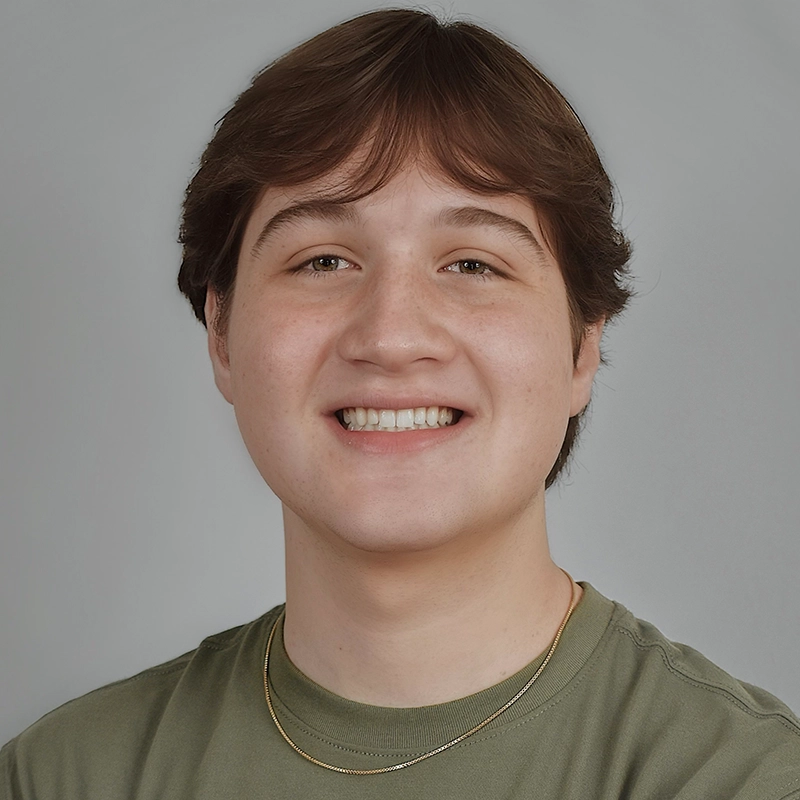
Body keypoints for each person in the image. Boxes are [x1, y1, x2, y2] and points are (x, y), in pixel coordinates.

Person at [2, 8, 799, 799]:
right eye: (322, 259)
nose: (390, 336)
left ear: (582, 345)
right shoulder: (63, 776)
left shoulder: (735, 779)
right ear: (221, 331)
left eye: (473, 264)